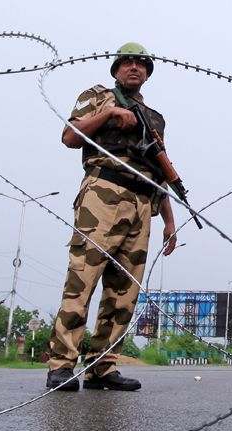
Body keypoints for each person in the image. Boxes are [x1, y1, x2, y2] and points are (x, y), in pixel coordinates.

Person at [47, 42, 177, 392]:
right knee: (82, 280)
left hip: (142, 202)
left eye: (141, 64)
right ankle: (61, 365)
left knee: (124, 292)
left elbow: (160, 171)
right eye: (127, 63)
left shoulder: (154, 118)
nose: (134, 68)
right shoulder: (98, 96)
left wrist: (168, 220)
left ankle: (102, 367)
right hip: (103, 194)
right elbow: (70, 137)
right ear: (117, 69)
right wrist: (108, 115)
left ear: (147, 73)